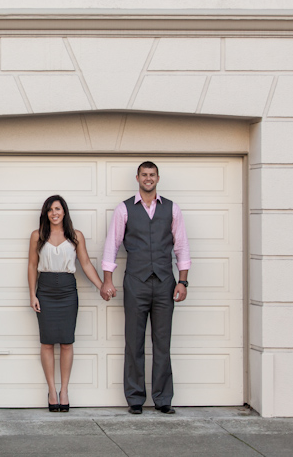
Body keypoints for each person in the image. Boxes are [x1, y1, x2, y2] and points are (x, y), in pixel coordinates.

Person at [100, 161, 190, 415]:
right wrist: (108, 280)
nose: (148, 179)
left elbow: (182, 246)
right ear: (137, 177)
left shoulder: (172, 209)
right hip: (135, 283)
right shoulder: (124, 209)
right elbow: (112, 245)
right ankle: (136, 398)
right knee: (134, 342)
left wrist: (182, 281)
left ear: (157, 178)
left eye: (152, 175)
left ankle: (163, 399)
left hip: (164, 283)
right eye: (144, 175)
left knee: (163, 343)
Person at [28, 194, 108, 412]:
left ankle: (64, 390)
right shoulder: (37, 235)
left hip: (67, 291)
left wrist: (101, 285)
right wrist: (32, 295)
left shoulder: (75, 235)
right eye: (50, 209)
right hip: (44, 290)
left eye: (58, 209)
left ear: (64, 212)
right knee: (46, 342)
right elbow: (32, 266)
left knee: (66, 342)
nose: (54, 213)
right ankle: (51, 391)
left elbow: (86, 264)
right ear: (46, 213)